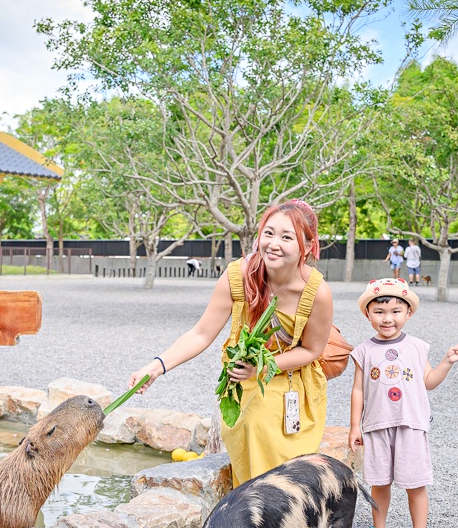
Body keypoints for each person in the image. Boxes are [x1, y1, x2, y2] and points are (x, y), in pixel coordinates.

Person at [129, 200, 333, 487]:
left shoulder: (317, 293)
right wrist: (157, 366)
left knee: (272, 443)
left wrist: (262, 368)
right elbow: (201, 333)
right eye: (269, 233)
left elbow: (312, 350)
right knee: (251, 422)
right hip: (242, 378)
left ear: (308, 247)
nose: (274, 244)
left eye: (287, 237)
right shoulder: (239, 276)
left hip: (289, 378)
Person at [348, 278, 458, 528]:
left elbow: (428, 381)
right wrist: (355, 425)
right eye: (379, 312)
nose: (387, 319)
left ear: (408, 314)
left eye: (395, 312)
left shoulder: (416, 347)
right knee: (379, 483)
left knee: (415, 483)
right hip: (376, 425)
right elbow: (357, 389)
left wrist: (446, 362)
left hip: (411, 425)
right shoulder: (364, 351)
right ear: (367, 314)